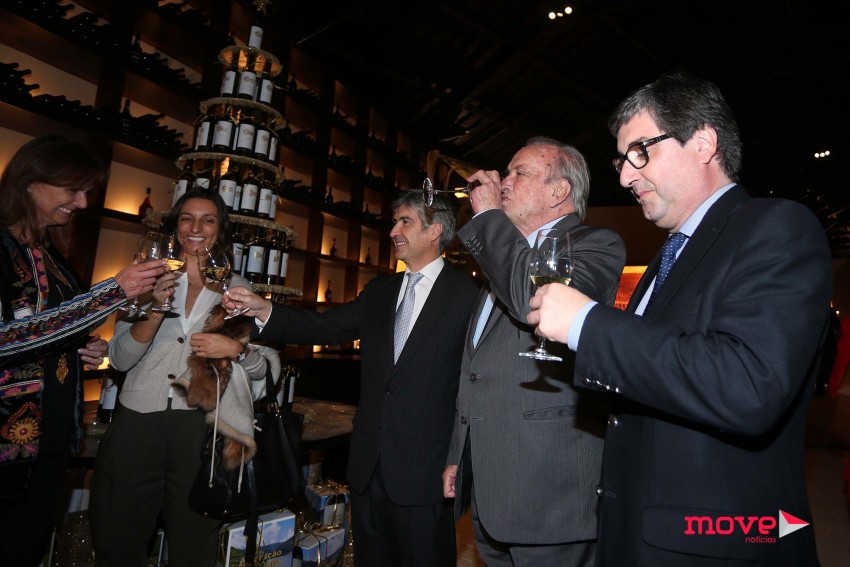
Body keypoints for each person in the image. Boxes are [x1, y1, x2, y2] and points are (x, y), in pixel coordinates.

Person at [527, 73, 832, 566]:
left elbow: (747, 385)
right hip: (639, 532)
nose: (625, 177)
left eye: (640, 152)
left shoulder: (776, 227)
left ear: (704, 142)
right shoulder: (671, 252)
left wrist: (588, 324)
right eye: (621, 160)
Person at [223, 191, 479, 567]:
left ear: (434, 230)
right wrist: (264, 309)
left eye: (405, 221)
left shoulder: (470, 296)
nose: (393, 231)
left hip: (426, 471)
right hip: (367, 468)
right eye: (394, 222)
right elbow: (325, 326)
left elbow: (475, 387)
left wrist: (461, 458)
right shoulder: (380, 291)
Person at [442, 136, 626, 566]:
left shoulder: (595, 244)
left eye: (518, 173)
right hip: (491, 488)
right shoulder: (501, 263)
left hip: (550, 496)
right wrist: (459, 456)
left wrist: (487, 215)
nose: (503, 181)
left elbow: (534, 301)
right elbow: (477, 369)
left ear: (559, 191)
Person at [0, 134, 166, 566]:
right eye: (73, 189)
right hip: (7, 445)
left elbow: (50, 328)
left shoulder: (52, 256)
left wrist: (80, 347)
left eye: (86, 191)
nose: (82, 202)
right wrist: (112, 293)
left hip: (51, 439)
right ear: (31, 182)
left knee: (28, 548)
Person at [89, 188, 274, 567]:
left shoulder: (238, 288)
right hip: (138, 424)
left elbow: (263, 370)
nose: (196, 228)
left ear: (220, 230)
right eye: (187, 218)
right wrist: (156, 309)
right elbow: (120, 359)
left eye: (208, 220)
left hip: (201, 428)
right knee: (118, 536)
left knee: (194, 542)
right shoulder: (146, 277)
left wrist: (234, 349)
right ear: (175, 228)